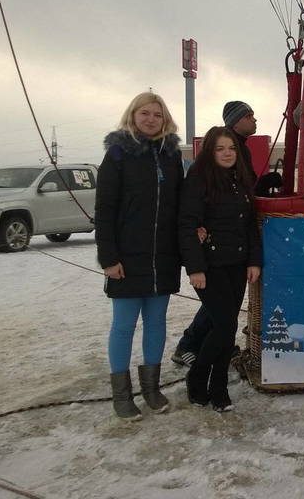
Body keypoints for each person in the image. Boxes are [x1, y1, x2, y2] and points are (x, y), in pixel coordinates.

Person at [95, 91, 183, 420]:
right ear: (132, 116)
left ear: (165, 119)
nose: (150, 119)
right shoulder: (118, 154)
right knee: (124, 326)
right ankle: (121, 394)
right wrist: (108, 257)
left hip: (162, 256)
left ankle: (151, 388)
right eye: (144, 113)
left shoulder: (171, 155)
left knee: (156, 324)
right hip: (127, 257)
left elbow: (180, 205)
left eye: (156, 115)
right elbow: (104, 210)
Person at [171, 100, 279, 368]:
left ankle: (219, 347)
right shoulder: (208, 166)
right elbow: (202, 206)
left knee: (226, 310)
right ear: (235, 120)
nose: (255, 120)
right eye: (249, 116)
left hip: (234, 248)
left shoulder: (242, 149)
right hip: (214, 249)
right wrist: (196, 258)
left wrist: (262, 186)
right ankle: (190, 346)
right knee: (220, 309)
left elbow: (243, 194)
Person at [178, 126, 262, 412]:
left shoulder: (240, 179)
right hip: (210, 266)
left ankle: (212, 385)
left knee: (223, 328)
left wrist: (253, 260)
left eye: (231, 148)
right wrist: (195, 267)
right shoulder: (199, 178)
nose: (227, 153)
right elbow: (188, 223)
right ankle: (204, 379)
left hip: (237, 265)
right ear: (210, 151)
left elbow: (250, 223)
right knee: (226, 326)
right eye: (220, 148)